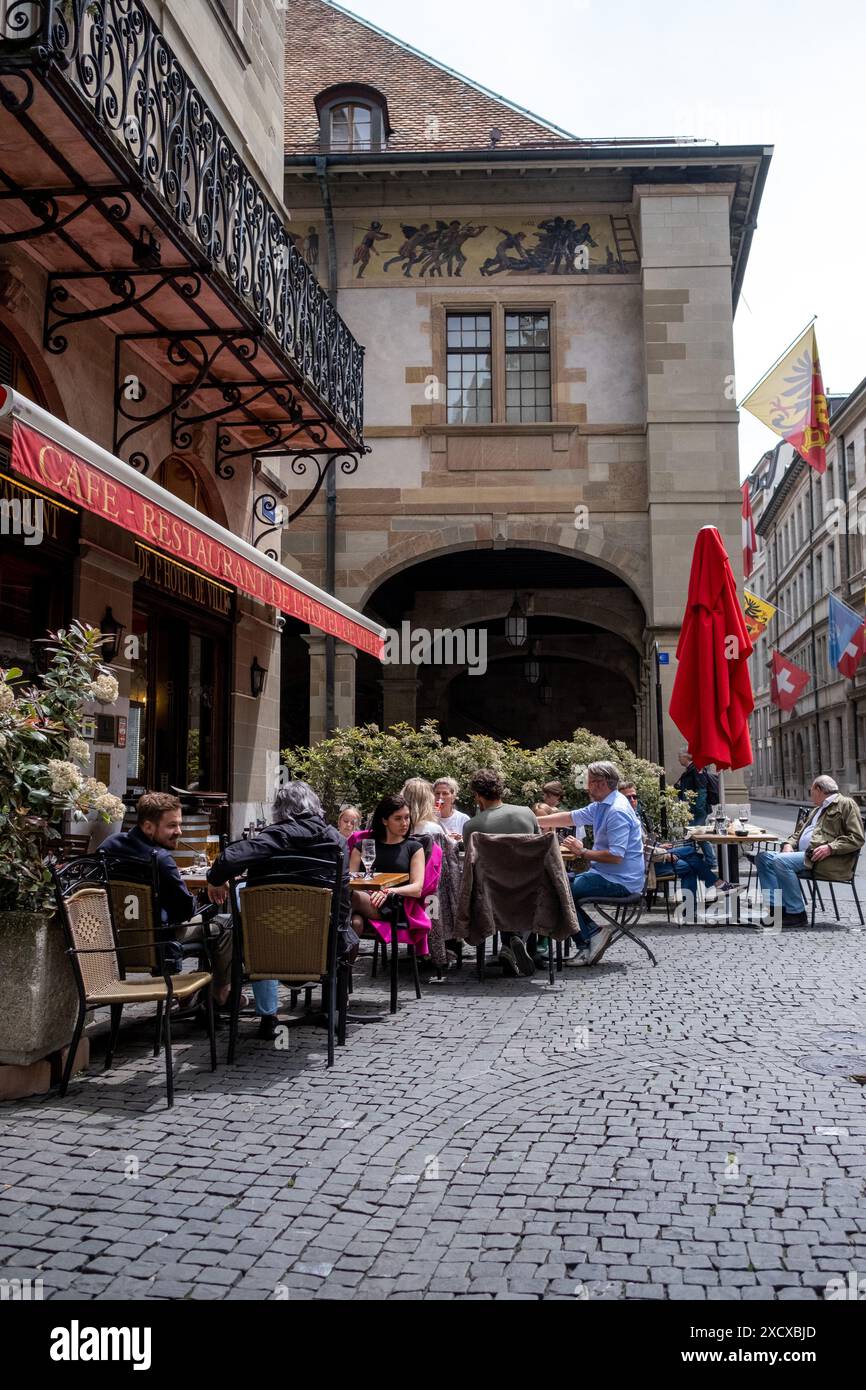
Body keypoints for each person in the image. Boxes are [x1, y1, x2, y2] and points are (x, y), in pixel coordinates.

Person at [206, 782, 357, 1039]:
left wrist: (215, 878)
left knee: (254, 922)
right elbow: (342, 896)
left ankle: (265, 1014)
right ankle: (334, 1010)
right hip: (321, 940)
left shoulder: (274, 836)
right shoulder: (337, 840)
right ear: (315, 806)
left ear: (279, 809)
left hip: (268, 942)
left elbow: (228, 859)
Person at [100, 792, 234, 1009]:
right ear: (148, 826)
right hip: (157, 940)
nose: (179, 832)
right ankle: (220, 994)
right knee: (227, 924)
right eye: (172, 825)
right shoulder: (160, 860)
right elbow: (183, 913)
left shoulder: (108, 846)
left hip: (116, 939)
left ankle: (196, 985)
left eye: (179, 825)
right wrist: (198, 899)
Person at [539, 760, 645, 965]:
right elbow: (570, 817)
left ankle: (589, 937)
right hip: (606, 875)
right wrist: (534, 821)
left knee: (560, 890)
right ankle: (591, 935)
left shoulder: (616, 811)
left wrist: (583, 852)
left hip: (620, 882)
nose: (586, 787)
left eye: (589, 782)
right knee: (560, 884)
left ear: (601, 783)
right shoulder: (602, 806)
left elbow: (616, 856)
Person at [753, 775, 865, 926]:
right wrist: (788, 845)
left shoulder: (846, 804)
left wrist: (830, 847)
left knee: (780, 861)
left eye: (811, 791)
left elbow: (857, 838)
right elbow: (798, 834)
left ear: (818, 789)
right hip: (803, 855)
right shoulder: (817, 810)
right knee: (763, 857)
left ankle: (796, 913)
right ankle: (776, 910)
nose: (810, 795)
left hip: (826, 859)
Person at [462, 768, 540, 976]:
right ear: (501, 790)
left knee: (499, 886)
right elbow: (539, 848)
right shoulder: (526, 812)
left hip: (491, 894)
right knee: (521, 890)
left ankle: (510, 945)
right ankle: (517, 943)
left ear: (477, 796)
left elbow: (470, 863)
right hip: (529, 890)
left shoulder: (472, 826)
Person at [619, 780, 721, 911]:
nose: (633, 800)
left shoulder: (633, 815)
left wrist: (660, 845)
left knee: (691, 854)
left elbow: (644, 842)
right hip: (646, 866)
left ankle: (693, 906)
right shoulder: (623, 819)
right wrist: (666, 855)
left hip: (652, 856)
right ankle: (712, 886)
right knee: (690, 863)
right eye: (628, 798)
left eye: (635, 796)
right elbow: (639, 849)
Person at [348, 793, 428, 944]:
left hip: (393, 904)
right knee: (355, 924)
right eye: (398, 818)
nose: (404, 823)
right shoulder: (364, 847)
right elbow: (350, 881)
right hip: (362, 901)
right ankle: (343, 967)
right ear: (384, 820)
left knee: (351, 897)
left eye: (407, 817)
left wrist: (388, 891)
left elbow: (417, 888)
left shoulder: (414, 848)